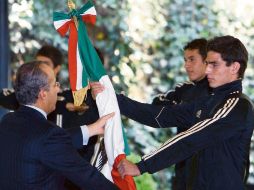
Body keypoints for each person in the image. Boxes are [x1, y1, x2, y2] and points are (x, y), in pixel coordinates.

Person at [93, 35, 254, 190]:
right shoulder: (207, 102)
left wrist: (141, 166)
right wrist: (111, 97)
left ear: (234, 67)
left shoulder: (238, 106)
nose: (207, 71)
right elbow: (160, 116)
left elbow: (192, 138)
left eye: (214, 65)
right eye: (207, 64)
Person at [0, 60, 118, 189]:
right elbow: (88, 178)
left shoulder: (8, 121)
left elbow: (42, 143)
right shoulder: (49, 135)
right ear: (43, 94)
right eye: (55, 84)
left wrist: (91, 129)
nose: (59, 89)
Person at [152, 38, 209, 189]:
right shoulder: (185, 89)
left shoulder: (219, 92)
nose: (186, 65)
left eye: (192, 59)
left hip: (208, 174)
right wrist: (179, 107)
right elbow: (157, 104)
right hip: (182, 170)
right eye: (185, 60)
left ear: (206, 61)